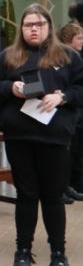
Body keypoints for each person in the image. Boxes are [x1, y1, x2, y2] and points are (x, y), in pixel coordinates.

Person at [0, 4, 83, 266]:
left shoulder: (68, 56)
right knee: (26, 196)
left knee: (52, 197)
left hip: (54, 139)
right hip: (20, 138)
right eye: (29, 24)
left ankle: (58, 254)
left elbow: (80, 89)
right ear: (22, 28)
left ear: (49, 27)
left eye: (39, 24)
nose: (34, 29)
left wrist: (63, 97)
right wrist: (10, 88)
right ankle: (23, 252)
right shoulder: (9, 56)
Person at [57, 22, 83, 204]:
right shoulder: (63, 58)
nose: (82, 41)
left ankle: (68, 185)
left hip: (75, 109)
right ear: (68, 40)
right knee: (64, 153)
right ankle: (60, 188)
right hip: (64, 113)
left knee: (73, 151)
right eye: (79, 38)